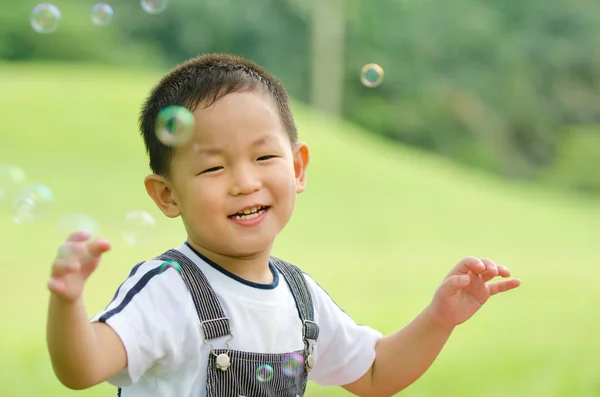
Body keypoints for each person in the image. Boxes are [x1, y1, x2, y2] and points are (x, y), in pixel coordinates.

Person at [45, 53, 521, 397]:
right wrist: (68, 302)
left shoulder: (299, 296)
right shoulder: (167, 291)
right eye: (214, 168)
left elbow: (376, 374)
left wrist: (439, 318)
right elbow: (83, 368)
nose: (245, 182)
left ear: (297, 169)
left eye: (265, 156)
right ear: (167, 194)